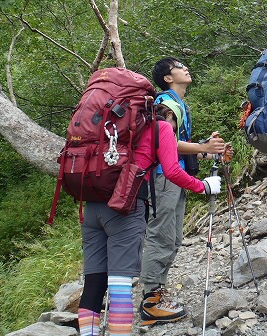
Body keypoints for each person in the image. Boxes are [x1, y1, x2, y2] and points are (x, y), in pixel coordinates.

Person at [77, 100, 221, 336]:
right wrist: (202, 186)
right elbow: (172, 170)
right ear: (171, 116)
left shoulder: (116, 127)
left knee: (93, 282)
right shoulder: (160, 127)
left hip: (92, 203)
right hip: (125, 206)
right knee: (120, 282)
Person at [139, 57, 228, 326]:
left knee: (173, 237)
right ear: (168, 77)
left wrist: (204, 148)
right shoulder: (165, 104)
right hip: (162, 179)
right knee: (161, 236)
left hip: (172, 178)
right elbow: (166, 144)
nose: (185, 67)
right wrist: (203, 148)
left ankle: (156, 295)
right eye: (178, 66)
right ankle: (150, 301)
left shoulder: (177, 104)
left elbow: (177, 146)